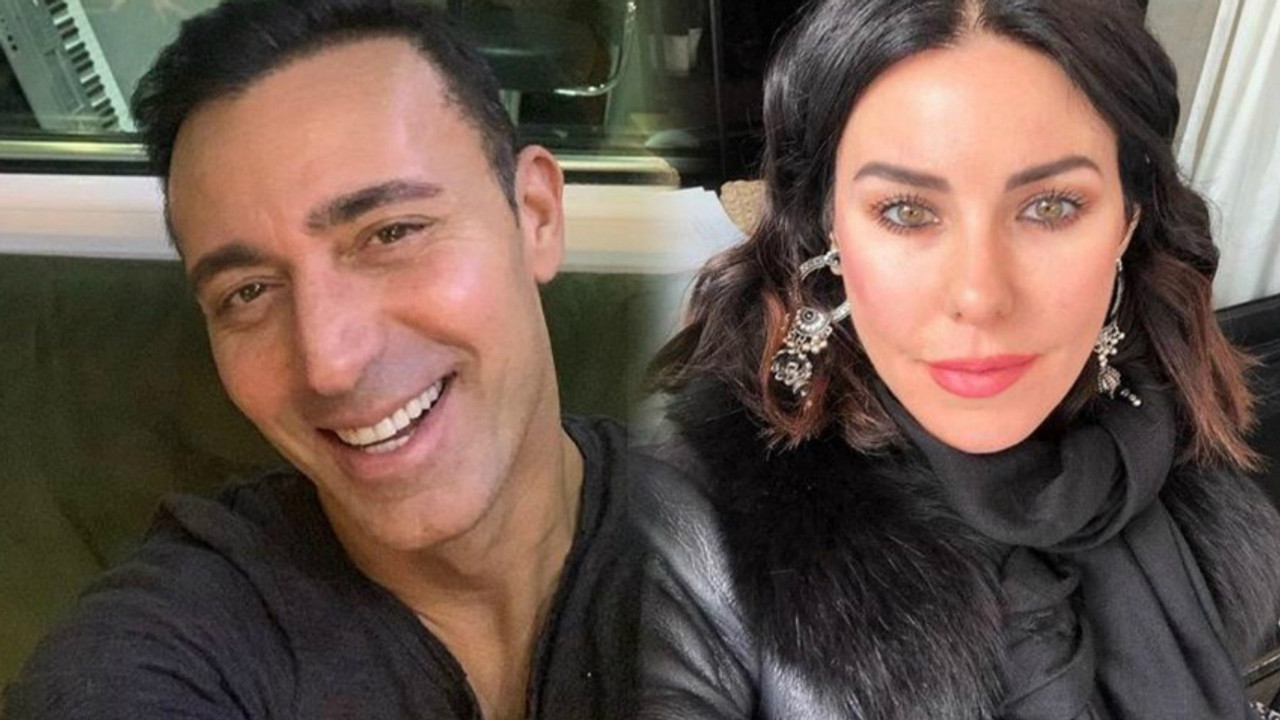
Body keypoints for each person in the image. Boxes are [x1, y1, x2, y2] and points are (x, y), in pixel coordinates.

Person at [637, 0, 1280, 717]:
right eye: (907, 211)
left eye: (1051, 207)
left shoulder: (1186, 447)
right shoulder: (685, 531)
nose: (979, 295)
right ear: (829, 225)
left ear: (1128, 221)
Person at [3, 1, 640, 719]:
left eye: (391, 233)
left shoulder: (723, 536)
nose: (329, 364)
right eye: (248, 292)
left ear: (536, 216)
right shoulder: (173, 643)